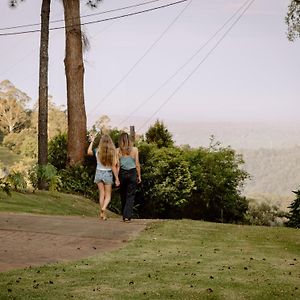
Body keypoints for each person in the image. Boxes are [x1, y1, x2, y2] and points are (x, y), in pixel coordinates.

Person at [88, 133, 120, 220]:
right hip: (107, 174)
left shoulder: (97, 151)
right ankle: (103, 208)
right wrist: (117, 178)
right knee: (108, 195)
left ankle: (102, 214)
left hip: (98, 173)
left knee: (101, 194)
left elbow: (88, 152)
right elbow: (114, 166)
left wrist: (92, 141)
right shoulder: (112, 153)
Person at [117, 132, 141, 222]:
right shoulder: (135, 150)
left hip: (122, 173)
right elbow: (137, 164)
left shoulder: (117, 151)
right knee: (130, 195)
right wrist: (139, 176)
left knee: (123, 195)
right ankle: (127, 216)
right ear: (129, 140)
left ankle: (124, 215)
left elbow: (118, 165)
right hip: (132, 173)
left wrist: (117, 178)